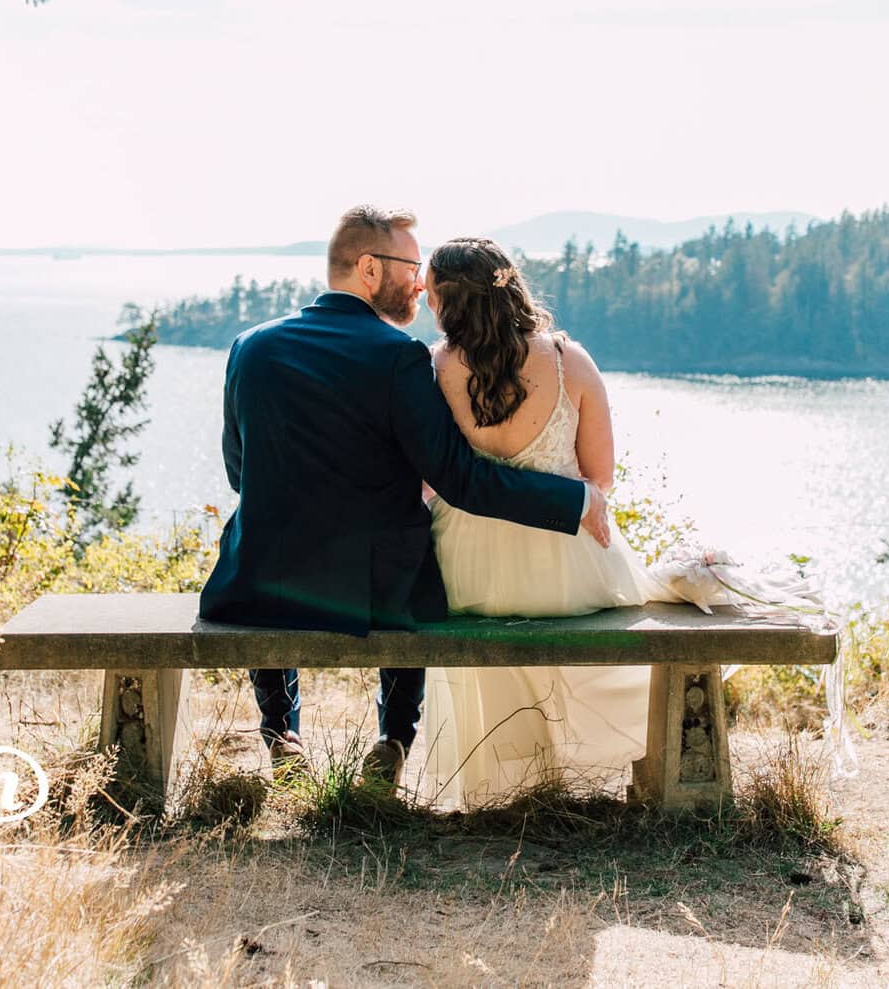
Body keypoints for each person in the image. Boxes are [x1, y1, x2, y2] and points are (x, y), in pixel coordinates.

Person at [200, 206, 613, 788]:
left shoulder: (250, 346)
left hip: (258, 583)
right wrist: (572, 501)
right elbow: (459, 479)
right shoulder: (399, 357)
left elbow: (239, 472)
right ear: (370, 269)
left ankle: (280, 732)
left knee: (266, 548)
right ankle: (394, 738)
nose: (421, 283)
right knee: (416, 560)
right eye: (411, 266)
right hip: (376, 589)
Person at [413, 236, 683, 807]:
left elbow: (429, 479)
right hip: (566, 553)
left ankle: (499, 789)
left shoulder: (433, 369)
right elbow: (600, 479)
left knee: (485, 658)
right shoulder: (568, 361)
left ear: (448, 302)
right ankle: (582, 777)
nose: (424, 300)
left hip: (466, 563)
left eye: (430, 291)